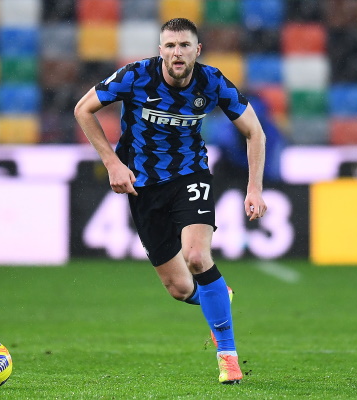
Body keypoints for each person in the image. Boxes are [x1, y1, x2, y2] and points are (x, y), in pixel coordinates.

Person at [74, 17, 267, 385]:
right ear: (160, 50)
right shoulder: (135, 76)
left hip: (189, 176)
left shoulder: (212, 82)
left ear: (197, 50)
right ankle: (216, 296)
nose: (177, 52)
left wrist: (254, 188)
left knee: (197, 257)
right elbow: (83, 109)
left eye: (184, 45)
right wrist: (112, 163)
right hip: (143, 187)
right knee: (179, 288)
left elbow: (254, 132)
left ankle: (228, 357)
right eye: (171, 46)